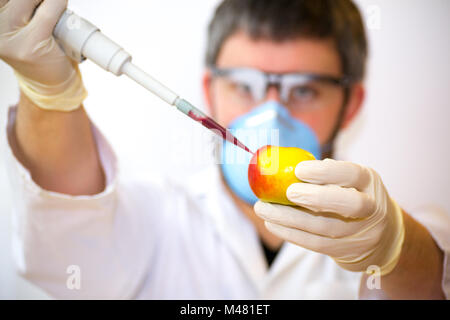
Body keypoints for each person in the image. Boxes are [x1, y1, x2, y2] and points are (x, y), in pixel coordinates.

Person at [1, 0, 448, 299]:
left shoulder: (388, 228)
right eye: (244, 86)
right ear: (209, 92)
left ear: (350, 105)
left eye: (306, 90)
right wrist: (49, 93)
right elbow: (70, 238)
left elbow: (433, 282)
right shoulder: (157, 214)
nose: (272, 115)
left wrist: (394, 247)